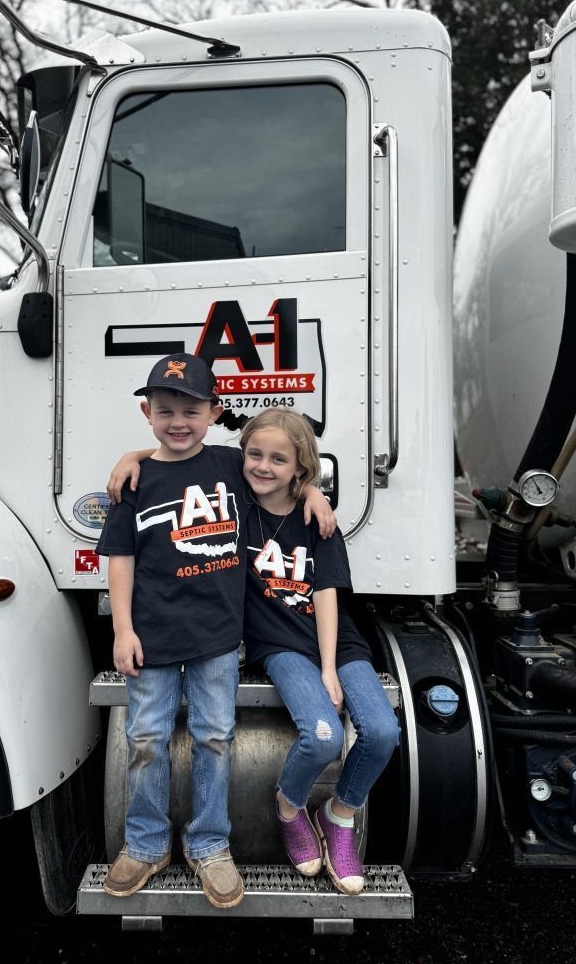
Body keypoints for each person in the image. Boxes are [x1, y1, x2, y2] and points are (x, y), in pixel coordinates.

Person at [98, 354, 334, 909]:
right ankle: (147, 844)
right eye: (165, 411)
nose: (178, 421)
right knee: (146, 740)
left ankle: (209, 846)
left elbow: (281, 476)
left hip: (218, 639)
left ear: (214, 413)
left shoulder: (232, 464)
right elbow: (121, 560)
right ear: (146, 412)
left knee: (214, 738)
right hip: (151, 639)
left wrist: (314, 493)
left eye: (191, 410)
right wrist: (123, 631)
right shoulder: (135, 481)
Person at [239, 408, 399, 894]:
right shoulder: (237, 505)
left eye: (279, 460)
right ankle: (289, 807)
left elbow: (326, 594)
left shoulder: (318, 521)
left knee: (382, 730)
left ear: (301, 468)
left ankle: (339, 814)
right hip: (279, 644)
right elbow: (183, 450)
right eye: (255, 454)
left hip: (337, 643)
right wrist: (134, 457)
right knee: (324, 736)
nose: (263, 466)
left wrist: (330, 669)